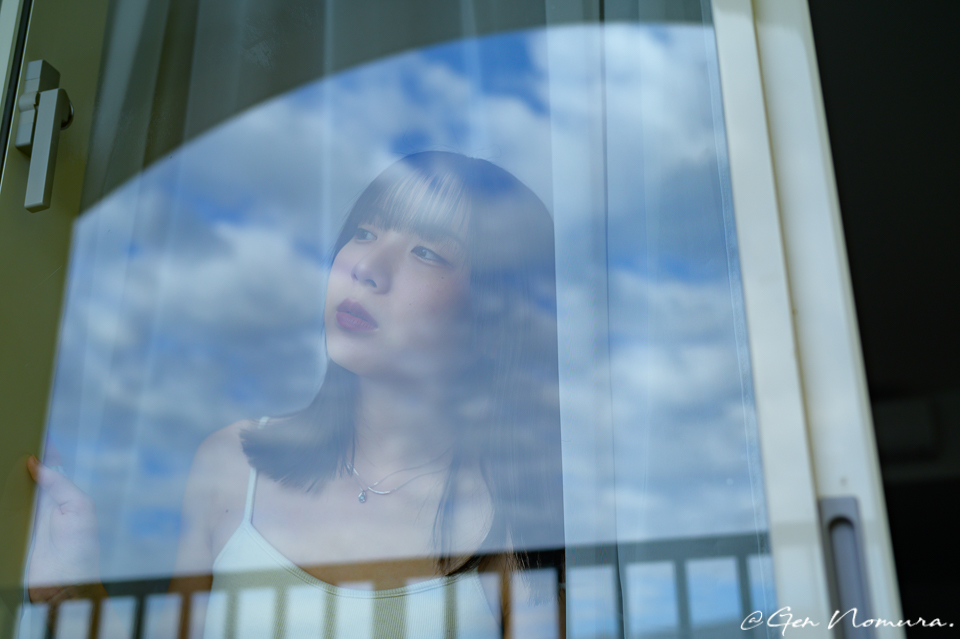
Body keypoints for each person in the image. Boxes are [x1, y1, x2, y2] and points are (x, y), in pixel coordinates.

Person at [28, 151, 564, 638]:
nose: (366, 268)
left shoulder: (512, 524)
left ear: (497, 321)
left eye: (425, 251)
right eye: (365, 232)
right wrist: (73, 593)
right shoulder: (231, 465)